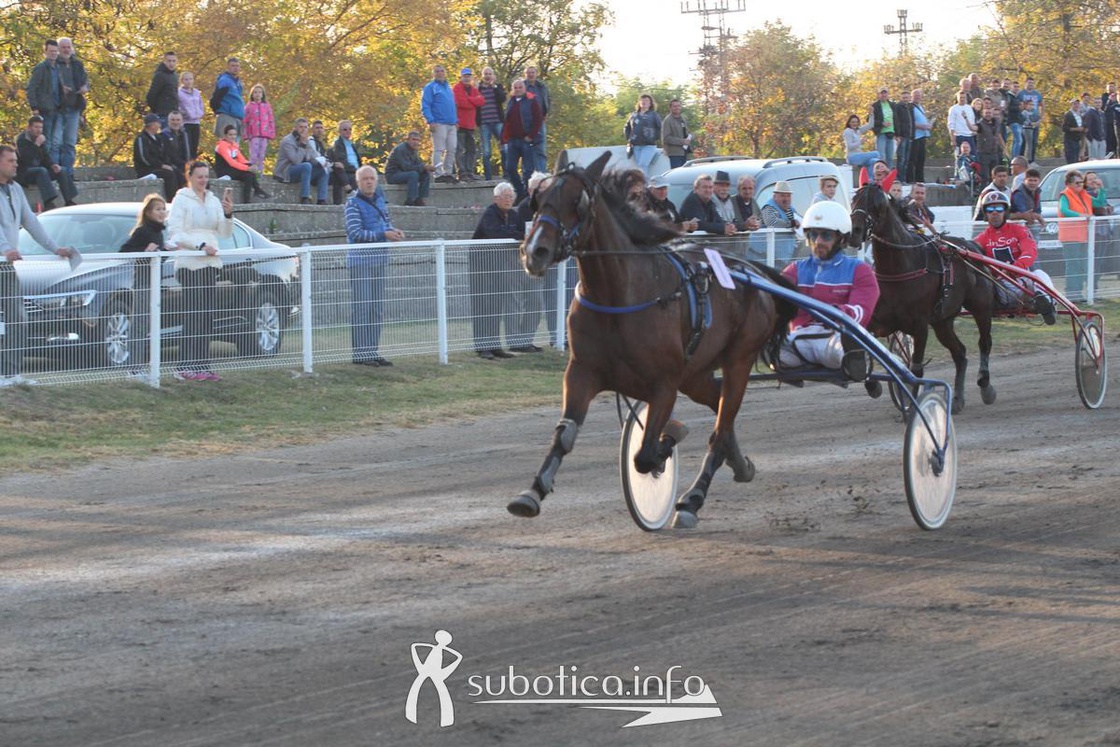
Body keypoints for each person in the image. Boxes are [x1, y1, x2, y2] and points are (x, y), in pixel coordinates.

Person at [777, 200, 881, 392]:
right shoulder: (795, 270)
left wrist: (834, 312)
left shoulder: (859, 271)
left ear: (841, 239)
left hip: (834, 338)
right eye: (813, 235)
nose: (818, 241)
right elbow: (774, 295)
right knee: (768, 345)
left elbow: (860, 312)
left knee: (843, 344)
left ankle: (856, 358)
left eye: (825, 235)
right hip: (799, 341)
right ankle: (852, 358)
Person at [0, 144, 77, 387]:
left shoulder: (15, 190)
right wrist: (4, 249)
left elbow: (31, 222)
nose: (15, 164)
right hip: (2, 257)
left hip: (5, 268)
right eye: (11, 160)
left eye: (16, 160)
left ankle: (10, 374)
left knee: (17, 319)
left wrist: (56, 248)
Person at [167, 160, 233, 381]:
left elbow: (223, 232)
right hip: (190, 263)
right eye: (199, 176)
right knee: (194, 315)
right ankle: (185, 365)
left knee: (206, 316)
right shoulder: (181, 199)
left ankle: (202, 364)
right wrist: (200, 247)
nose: (203, 180)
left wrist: (228, 214)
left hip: (210, 263)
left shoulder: (213, 199)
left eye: (206, 176)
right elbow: (175, 232)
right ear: (190, 177)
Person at [346, 165, 404, 367]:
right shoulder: (352, 204)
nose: (369, 182)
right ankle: (360, 353)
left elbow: (385, 224)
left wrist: (393, 231)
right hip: (361, 261)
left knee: (376, 308)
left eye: (372, 178)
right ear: (358, 182)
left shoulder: (380, 200)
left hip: (380, 260)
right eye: (365, 179)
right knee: (362, 307)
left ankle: (372, 350)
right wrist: (383, 235)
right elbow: (356, 233)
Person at [973, 191, 1056, 324]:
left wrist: (1013, 269)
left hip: (1023, 280)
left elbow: (1030, 252)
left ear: (1005, 212)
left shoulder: (1019, 230)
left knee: (1040, 274)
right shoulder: (981, 239)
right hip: (1002, 288)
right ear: (985, 213)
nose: (995, 213)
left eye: (999, 208)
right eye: (990, 209)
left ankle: (1046, 305)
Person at [119, 194, 172, 375]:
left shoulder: (159, 232)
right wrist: (144, 251)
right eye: (158, 209)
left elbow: (158, 259)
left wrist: (165, 251)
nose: (162, 212)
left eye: (163, 209)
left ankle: (147, 364)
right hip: (142, 282)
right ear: (148, 212)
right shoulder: (142, 231)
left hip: (155, 282)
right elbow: (124, 251)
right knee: (139, 323)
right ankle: (133, 367)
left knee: (151, 323)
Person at [470, 182, 523, 359]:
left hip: (501, 267)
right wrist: (515, 235)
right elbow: (495, 234)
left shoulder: (514, 216)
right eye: (505, 196)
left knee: (496, 304)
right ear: (496, 198)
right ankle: (482, 346)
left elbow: (523, 233)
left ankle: (494, 345)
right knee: (483, 305)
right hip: (482, 267)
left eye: (511, 196)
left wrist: (518, 235)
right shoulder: (490, 213)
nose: (509, 200)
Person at [15, 115, 78, 210]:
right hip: (24, 172)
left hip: (39, 172)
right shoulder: (21, 140)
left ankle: (69, 200)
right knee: (41, 171)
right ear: (29, 128)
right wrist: (36, 145)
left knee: (62, 170)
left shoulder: (40, 138)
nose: (39, 130)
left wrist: (52, 165)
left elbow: (45, 157)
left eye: (40, 127)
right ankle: (48, 202)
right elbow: (27, 159)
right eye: (36, 127)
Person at [500, 79, 543, 202]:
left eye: (520, 87)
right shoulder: (511, 102)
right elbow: (506, 121)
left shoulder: (531, 101)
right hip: (512, 140)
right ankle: (520, 192)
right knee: (510, 168)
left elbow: (538, 120)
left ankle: (527, 196)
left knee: (528, 170)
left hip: (526, 140)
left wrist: (531, 135)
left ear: (524, 88)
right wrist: (503, 138)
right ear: (512, 89)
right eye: (515, 87)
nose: (518, 89)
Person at [274, 118, 329, 205]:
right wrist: (302, 144)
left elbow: (312, 156)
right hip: (286, 171)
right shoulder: (288, 141)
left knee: (323, 169)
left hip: (303, 171)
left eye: (305, 127)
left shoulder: (306, 140)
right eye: (300, 127)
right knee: (306, 166)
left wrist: (323, 162)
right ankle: (305, 197)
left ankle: (321, 199)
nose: (303, 130)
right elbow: (296, 161)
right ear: (295, 128)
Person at [55, 37, 88, 177]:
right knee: (56, 142)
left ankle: (68, 173)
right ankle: (56, 173)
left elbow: (85, 80)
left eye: (68, 47)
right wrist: (60, 88)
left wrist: (84, 87)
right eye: (63, 47)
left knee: (70, 142)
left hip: (75, 107)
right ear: (58, 49)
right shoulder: (54, 64)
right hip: (58, 108)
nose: (66, 50)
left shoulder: (77, 64)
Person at [1057, 170, 1093, 300]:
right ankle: (1072, 294)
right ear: (1069, 183)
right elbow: (1064, 210)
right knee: (1073, 265)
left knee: (1081, 264)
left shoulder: (1083, 195)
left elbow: (1098, 203)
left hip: (1082, 236)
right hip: (1070, 237)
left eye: (1081, 182)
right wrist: (1081, 216)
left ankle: (1078, 292)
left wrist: (1100, 190)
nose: (1080, 184)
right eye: (1077, 182)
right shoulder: (1065, 195)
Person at [133, 113, 184, 199]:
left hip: (158, 167)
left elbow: (164, 154)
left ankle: (181, 197)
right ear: (152, 125)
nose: (159, 125)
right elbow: (144, 158)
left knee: (178, 172)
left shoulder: (158, 138)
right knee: (169, 175)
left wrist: (168, 164)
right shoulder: (141, 139)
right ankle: (171, 199)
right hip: (147, 170)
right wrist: (161, 165)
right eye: (158, 123)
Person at [214, 124, 269, 202]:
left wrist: (251, 166)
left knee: (249, 175)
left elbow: (242, 160)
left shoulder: (234, 145)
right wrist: (247, 168)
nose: (233, 137)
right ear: (225, 135)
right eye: (230, 135)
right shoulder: (221, 146)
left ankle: (247, 199)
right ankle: (257, 190)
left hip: (232, 170)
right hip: (223, 171)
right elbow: (231, 162)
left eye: (234, 135)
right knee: (248, 171)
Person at [421, 64, 458, 183]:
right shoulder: (430, 87)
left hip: (451, 124)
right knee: (439, 149)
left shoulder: (448, 88)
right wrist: (430, 121)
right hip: (438, 123)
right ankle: (438, 174)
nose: (440, 73)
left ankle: (448, 172)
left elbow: (452, 105)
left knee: (452, 148)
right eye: (437, 71)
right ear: (433, 73)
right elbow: (425, 104)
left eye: (442, 71)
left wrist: (456, 120)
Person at [384, 131, 434, 206]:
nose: (416, 142)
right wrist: (422, 167)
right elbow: (406, 167)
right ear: (407, 140)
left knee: (425, 174)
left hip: (403, 173)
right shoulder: (401, 149)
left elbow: (418, 163)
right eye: (413, 139)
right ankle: (411, 200)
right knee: (413, 174)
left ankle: (420, 199)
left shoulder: (414, 150)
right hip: (393, 175)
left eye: (418, 140)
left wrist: (427, 167)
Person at [453, 68, 485, 181]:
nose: (467, 78)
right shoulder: (457, 88)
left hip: (471, 124)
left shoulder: (473, 89)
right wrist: (473, 101)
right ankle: (461, 172)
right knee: (460, 149)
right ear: (461, 77)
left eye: (468, 76)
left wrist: (469, 99)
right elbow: (461, 103)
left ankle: (469, 171)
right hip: (460, 124)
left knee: (471, 149)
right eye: (465, 76)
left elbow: (481, 101)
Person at [477, 67, 506, 181]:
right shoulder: (478, 89)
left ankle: (506, 173)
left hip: (497, 121)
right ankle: (488, 177)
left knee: (505, 148)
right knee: (486, 151)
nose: (488, 76)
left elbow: (502, 98)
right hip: (484, 123)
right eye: (485, 74)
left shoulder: (497, 87)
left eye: (490, 74)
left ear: (493, 75)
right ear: (482, 76)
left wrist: (494, 86)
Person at [624, 93, 662, 177]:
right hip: (636, 145)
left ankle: (644, 187)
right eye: (642, 100)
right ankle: (645, 187)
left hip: (649, 145)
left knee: (642, 165)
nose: (644, 102)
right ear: (639, 102)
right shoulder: (633, 115)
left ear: (650, 103)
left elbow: (660, 128)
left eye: (647, 100)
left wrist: (655, 139)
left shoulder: (654, 115)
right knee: (640, 168)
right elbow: (627, 127)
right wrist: (629, 140)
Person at [243, 83, 276, 174]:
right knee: (253, 155)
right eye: (255, 92)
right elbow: (245, 121)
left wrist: (271, 133)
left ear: (262, 94)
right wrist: (245, 135)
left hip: (264, 134)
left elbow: (271, 120)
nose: (257, 94)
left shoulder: (267, 106)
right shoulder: (249, 106)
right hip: (253, 134)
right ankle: (252, 173)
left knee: (261, 155)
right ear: (252, 94)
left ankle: (260, 174)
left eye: (259, 92)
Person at [523, 65, 550, 172]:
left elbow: (548, 99)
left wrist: (546, 112)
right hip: (525, 122)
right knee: (525, 149)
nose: (530, 74)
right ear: (525, 74)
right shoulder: (522, 86)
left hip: (539, 121)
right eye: (528, 73)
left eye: (532, 72)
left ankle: (541, 173)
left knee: (541, 148)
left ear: (536, 74)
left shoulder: (541, 86)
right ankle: (527, 174)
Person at [329, 120, 362, 205]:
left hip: (357, 170)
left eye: (350, 129)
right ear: (339, 131)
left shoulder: (351, 144)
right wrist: (356, 169)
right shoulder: (338, 144)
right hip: (348, 171)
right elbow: (341, 161)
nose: (348, 131)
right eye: (345, 129)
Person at [212, 58, 245, 138]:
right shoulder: (225, 81)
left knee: (234, 147)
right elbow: (216, 98)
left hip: (237, 117)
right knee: (226, 145)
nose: (235, 68)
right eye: (233, 66)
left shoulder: (238, 83)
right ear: (228, 67)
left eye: (237, 66)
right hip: (227, 116)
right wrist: (219, 111)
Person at [145, 51, 179, 125]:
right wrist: (157, 110)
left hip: (174, 113)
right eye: (169, 61)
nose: (171, 63)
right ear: (164, 61)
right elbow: (151, 95)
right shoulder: (159, 75)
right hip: (163, 114)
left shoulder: (175, 75)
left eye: (174, 61)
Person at [1009, 167, 1045, 237]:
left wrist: (1037, 215)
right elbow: (1025, 213)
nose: (1033, 183)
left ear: (1039, 181)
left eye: (1035, 180)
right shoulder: (1018, 193)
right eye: (1030, 180)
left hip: (1031, 228)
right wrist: (1038, 217)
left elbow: (1038, 211)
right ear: (1024, 180)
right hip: (1017, 229)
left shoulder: (1037, 192)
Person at [177, 71, 204, 159]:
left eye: (190, 79)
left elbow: (200, 104)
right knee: (186, 147)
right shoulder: (179, 93)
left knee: (194, 147)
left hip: (196, 122)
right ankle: (185, 167)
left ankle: (193, 167)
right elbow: (177, 107)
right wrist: (185, 114)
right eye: (186, 79)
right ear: (182, 81)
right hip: (186, 123)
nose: (188, 81)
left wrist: (200, 113)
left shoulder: (196, 92)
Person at [661, 99, 693, 170]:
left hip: (685, 152)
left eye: (678, 106)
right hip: (674, 153)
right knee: (676, 175)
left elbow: (685, 132)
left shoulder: (683, 118)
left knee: (684, 174)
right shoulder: (667, 120)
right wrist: (682, 141)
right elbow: (666, 138)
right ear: (670, 108)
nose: (677, 108)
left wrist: (690, 137)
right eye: (674, 106)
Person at [908, 89, 931, 184]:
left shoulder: (920, 107)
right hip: (915, 136)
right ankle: (911, 179)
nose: (917, 97)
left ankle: (920, 179)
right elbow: (910, 122)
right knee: (913, 159)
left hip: (922, 136)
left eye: (919, 95)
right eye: (915, 95)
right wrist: (922, 126)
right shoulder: (910, 107)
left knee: (921, 159)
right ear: (912, 97)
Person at [870, 87, 896, 168]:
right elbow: (870, 120)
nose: (884, 95)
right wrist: (882, 123)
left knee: (890, 157)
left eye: (885, 93)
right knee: (881, 157)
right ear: (879, 95)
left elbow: (897, 119)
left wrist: (898, 134)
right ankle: (880, 176)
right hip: (881, 133)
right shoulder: (875, 105)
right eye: (882, 93)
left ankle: (890, 177)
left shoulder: (892, 105)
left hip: (891, 133)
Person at [162, 110, 192, 179]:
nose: (175, 122)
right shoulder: (163, 135)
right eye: (173, 120)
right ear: (168, 121)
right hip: (172, 166)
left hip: (185, 165)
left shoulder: (185, 134)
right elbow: (168, 155)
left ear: (181, 121)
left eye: (178, 120)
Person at [893, 90, 914, 183]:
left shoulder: (910, 107)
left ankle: (904, 179)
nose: (906, 99)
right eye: (904, 98)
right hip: (901, 136)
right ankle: (899, 179)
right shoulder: (898, 107)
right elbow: (896, 121)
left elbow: (912, 122)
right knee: (901, 159)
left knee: (906, 160)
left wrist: (912, 134)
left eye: (907, 98)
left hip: (909, 136)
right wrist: (897, 134)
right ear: (901, 98)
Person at [1082, 93, 1106, 161]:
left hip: (1102, 139)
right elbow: (1087, 126)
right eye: (1096, 103)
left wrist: (1104, 136)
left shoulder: (1102, 113)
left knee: (1102, 159)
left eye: (1099, 102)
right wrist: (1091, 139)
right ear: (1093, 103)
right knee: (1094, 159)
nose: (1098, 104)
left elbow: (1104, 126)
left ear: (1101, 103)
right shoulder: (1090, 113)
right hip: (1094, 139)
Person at [1062, 99, 1086, 164]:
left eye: (1077, 104)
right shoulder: (1068, 114)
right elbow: (1064, 128)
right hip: (1070, 140)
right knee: (1071, 159)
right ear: (1071, 105)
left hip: (1077, 140)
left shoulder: (1080, 115)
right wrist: (1076, 129)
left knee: (1076, 159)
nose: (1076, 105)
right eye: (1074, 104)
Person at [1020, 97, 1041, 163]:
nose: (1031, 106)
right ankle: (1028, 159)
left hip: (1033, 128)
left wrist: (1037, 122)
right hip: (1026, 129)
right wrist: (1031, 123)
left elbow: (1038, 118)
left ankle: (1031, 158)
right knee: (1028, 144)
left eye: (1032, 105)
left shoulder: (1034, 112)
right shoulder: (1024, 112)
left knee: (1032, 143)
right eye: (1029, 104)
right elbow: (1024, 121)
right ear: (1026, 105)